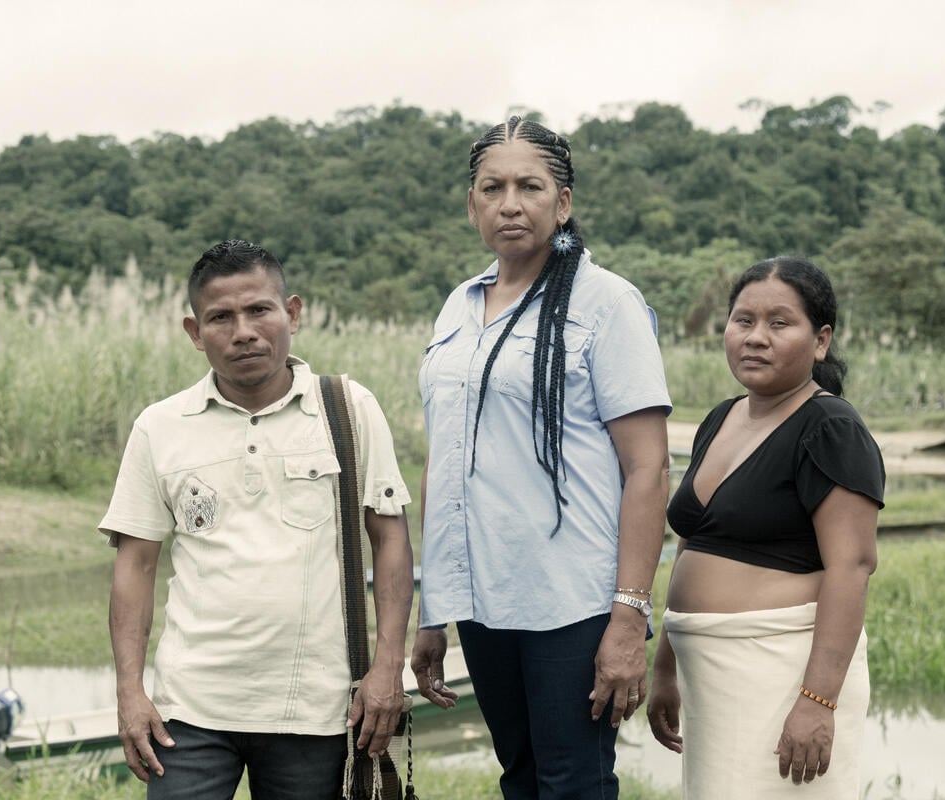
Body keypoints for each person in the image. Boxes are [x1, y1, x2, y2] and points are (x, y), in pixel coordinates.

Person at [409, 116, 672, 799]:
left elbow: (648, 468)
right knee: (521, 779)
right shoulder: (457, 308)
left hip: (573, 603)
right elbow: (445, 462)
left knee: (573, 784)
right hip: (485, 601)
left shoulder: (606, 303)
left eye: (531, 186)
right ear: (472, 205)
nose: (510, 203)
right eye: (492, 188)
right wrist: (432, 609)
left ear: (563, 202)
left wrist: (628, 617)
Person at [103, 239, 414, 800]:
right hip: (190, 710)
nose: (243, 330)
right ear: (195, 333)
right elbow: (136, 565)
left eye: (259, 311)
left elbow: (389, 540)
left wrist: (388, 667)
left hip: (317, 711)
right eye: (220, 317)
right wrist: (130, 690)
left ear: (291, 313)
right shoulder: (161, 426)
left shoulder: (347, 408)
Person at [648, 256, 884, 797]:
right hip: (708, 672)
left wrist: (817, 700)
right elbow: (692, 545)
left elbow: (851, 568)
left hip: (780, 674)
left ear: (820, 340)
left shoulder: (831, 428)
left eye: (780, 323)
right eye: (743, 320)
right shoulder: (722, 416)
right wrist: (667, 665)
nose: (756, 337)